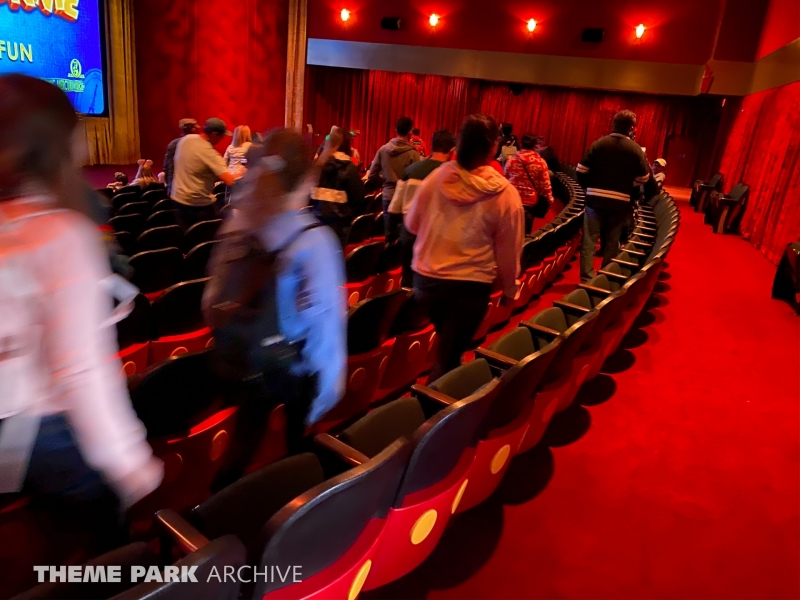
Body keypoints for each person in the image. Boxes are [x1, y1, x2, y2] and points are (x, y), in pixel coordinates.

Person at [0, 75, 163, 568]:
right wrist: (131, 463)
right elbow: (79, 371)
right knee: (110, 557)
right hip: (40, 433)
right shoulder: (62, 233)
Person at [204, 129, 346, 471]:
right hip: (290, 368)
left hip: (242, 361)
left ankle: (228, 489)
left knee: (244, 443)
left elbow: (210, 302)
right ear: (307, 178)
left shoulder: (236, 222)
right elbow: (325, 328)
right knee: (296, 453)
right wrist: (328, 391)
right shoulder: (315, 240)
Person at [405, 114, 524, 381]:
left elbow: (411, 224)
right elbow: (509, 250)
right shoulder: (504, 194)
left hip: (427, 282)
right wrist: (509, 288)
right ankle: (433, 401)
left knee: (449, 349)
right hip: (469, 287)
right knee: (448, 355)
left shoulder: (435, 178)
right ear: (493, 148)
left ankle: (442, 388)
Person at [576, 109, 650, 282]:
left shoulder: (599, 144)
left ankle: (586, 278)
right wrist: (626, 185)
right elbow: (644, 177)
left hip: (594, 200)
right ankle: (604, 278)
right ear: (632, 128)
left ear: (613, 124)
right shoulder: (635, 149)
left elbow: (581, 170)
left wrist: (590, 186)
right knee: (612, 241)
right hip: (620, 202)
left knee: (589, 240)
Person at [389, 129, 456, 287]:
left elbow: (394, 208)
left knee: (407, 284)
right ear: (452, 150)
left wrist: (393, 236)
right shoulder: (454, 176)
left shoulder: (411, 171)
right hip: (437, 239)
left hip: (409, 236)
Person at [171, 117, 236, 229]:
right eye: (222, 136)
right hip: (198, 206)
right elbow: (230, 181)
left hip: (177, 201)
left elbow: (194, 168)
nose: (222, 139)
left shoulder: (186, 139)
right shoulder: (210, 154)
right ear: (214, 134)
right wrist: (241, 173)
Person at [311, 127, 366, 245]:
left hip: (316, 224)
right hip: (340, 227)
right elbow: (359, 199)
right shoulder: (349, 168)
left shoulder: (317, 166)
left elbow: (307, 197)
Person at [367, 116, 421, 232]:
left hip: (388, 195)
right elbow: (417, 179)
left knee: (389, 234)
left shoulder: (383, 150)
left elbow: (371, 175)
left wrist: (385, 180)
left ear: (396, 130)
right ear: (410, 132)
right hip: (404, 199)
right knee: (401, 235)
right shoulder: (413, 154)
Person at [505, 133, 554, 223]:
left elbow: (505, 179)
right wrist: (549, 199)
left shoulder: (511, 161)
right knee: (526, 228)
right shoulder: (540, 162)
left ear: (520, 144)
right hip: (530, 202)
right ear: (534, 146)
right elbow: (545, 185)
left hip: (513, 198)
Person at [163, 118, 198, 195]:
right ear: (193, 129)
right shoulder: (199, 144)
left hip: (175, 188)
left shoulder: (173, 144)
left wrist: (170, 185)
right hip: (194, 188)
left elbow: (167, 167)